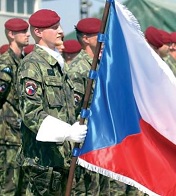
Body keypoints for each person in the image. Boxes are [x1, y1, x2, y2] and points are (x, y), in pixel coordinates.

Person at [16, 9, 87, 195]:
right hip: (42, 162)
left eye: (60, 26)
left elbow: (68, 108)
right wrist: (67, 132)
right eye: (54, 27)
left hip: (62, 159)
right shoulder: (32, 64)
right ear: (38, 32)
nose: (61, 31)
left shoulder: (57, 65)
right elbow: (31, 113)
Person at [68, 17, 111, 196]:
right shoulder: (78, 69)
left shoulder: (101, 65)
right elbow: (73, 112)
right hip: (86, 144)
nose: (103, 38)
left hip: (102, 141)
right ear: (85, 38)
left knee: (102, 190)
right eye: (98, 35)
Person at [0, 17, 30, 195]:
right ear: (11, 34)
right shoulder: (5, 64)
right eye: (23, 32)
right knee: (8, 188)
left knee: (23, 188)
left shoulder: (24, 62)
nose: (28, 35)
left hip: (22, 137)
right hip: (7, 138)